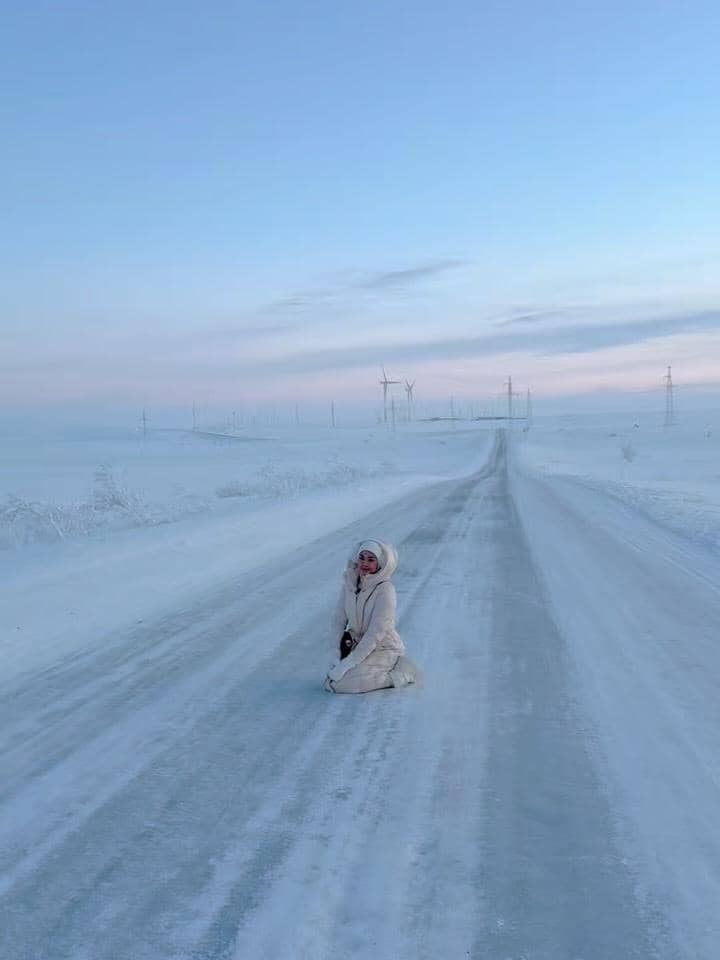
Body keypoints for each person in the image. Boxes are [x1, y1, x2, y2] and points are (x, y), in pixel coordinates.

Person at [323, 538, 417, 694]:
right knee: (331, 681)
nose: (364, 563)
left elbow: (375, 633)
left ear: (379, 564)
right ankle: (361, 670)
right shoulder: (350, 584)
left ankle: (401, 672)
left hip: (383, 647)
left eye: (371, 559)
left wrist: (348, 664)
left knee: (343, 684)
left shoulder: (385, 590)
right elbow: (338, 621)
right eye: (361, 557)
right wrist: (336, 656)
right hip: (357, 646)